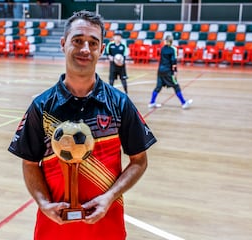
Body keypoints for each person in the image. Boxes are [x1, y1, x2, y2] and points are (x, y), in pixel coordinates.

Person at [8, 10, 157, 240]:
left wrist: (110, 197)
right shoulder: (41, 107)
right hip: (53, 231)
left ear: (101, 49)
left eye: (92, 43)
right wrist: (44, 203)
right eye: (78, 40)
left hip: (107, 228)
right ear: (63, 43)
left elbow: (139, 161)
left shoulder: (119, 103)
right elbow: (29, 163)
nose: (85, 48)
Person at [148, 35, 193, 109]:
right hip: (168, 72)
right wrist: (175, 71)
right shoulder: (173, 49)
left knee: (158, 87)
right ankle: (183, 103)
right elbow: (173, 62)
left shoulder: (162, 49)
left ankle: (152, 102)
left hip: (160, 71)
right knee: (176, 86)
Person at [105, 30, 129, 94]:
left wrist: (121, 60)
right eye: (116, 36)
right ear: (114, 37)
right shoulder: (110, 45)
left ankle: (126, 92)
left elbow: (125, 55)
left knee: (123, 79)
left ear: (121, 38)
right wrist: (109, 57)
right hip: (113, 65)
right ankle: (109, 93)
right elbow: (107, 53)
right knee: (111, 79)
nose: (117, 38)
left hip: (121, 66)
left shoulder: (123, 45)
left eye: (119, 36)